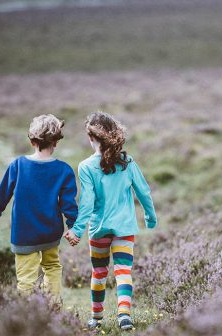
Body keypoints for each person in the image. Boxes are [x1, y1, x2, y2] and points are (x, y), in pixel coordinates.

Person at [65, 111, 157, 331]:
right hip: (125, 227)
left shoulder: (86, 166)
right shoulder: (127, 161)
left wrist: (77, 230)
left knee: (99, 272)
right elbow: (143, 191)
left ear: (91, 138)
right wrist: (150, 216)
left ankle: (95, 318)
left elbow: (87, 202)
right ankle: (124, 316)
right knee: (123, 271)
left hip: (98, 229)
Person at [0, 114, 78, 303]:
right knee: (52, 267)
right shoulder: (64, 170)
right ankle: (52, 305)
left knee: (26, 278)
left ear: (32, 141)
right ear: (56, 142)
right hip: (51, 233)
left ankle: (27, 313)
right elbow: (68, 204)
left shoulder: (18, 165)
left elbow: (2, 195)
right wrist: (74, 226)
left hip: (23, 233)